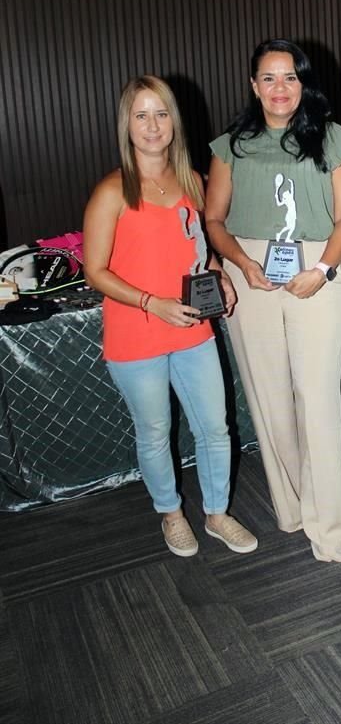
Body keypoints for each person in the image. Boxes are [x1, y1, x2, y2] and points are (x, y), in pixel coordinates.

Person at [83, 75, 257, 558]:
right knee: (156, 432)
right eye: (141, 115)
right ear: (127, 124)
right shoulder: (112, 191)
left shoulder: (192, 183)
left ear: (173, 121)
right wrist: (150, 302)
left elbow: (200, 248)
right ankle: (171, 514)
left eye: (160, 113)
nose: (153, 125)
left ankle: (217, 513)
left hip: (193, 330)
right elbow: (94, 271)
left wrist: (219, 274)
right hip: (135, 336)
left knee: (215, 428)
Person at [205, 39, 341, 562]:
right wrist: (242, 264)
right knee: (268, 398)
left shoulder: (334, 138)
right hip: (251, 273)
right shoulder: (231, 145)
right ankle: (291, 509)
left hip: (319, 266)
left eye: (290, 77)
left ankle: (331, 526)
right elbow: (214, 220)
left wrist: (323, 268)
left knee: (317, 398)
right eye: (268, 78)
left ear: (305, 82)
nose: (279, 88)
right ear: (253, 85)